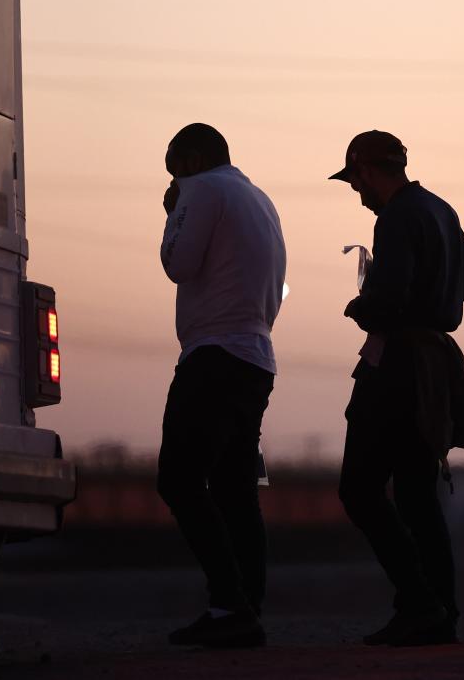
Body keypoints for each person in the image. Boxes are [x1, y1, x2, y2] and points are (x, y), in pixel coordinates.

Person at [330, 131, 464, 647]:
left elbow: (387, 300)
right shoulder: (441, 209)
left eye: (356, 181)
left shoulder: (394, 217)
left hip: (397, 365)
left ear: (368, 171)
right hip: (434, 365)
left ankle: (418, 603)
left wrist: (361, 306)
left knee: (360, 489)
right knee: (419, 496)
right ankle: (442, 612)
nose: (358, 192)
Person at [156, 123, 287, 649]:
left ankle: (229, 602)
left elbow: (177, 264)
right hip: (256, 355)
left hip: (214, 354)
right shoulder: (258, 197)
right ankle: (245, 606)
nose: (172, 183)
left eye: (174, 171)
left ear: (190, 160)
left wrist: (172, 215)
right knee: (235, 489)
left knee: (180, 481)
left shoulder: (203, 188)